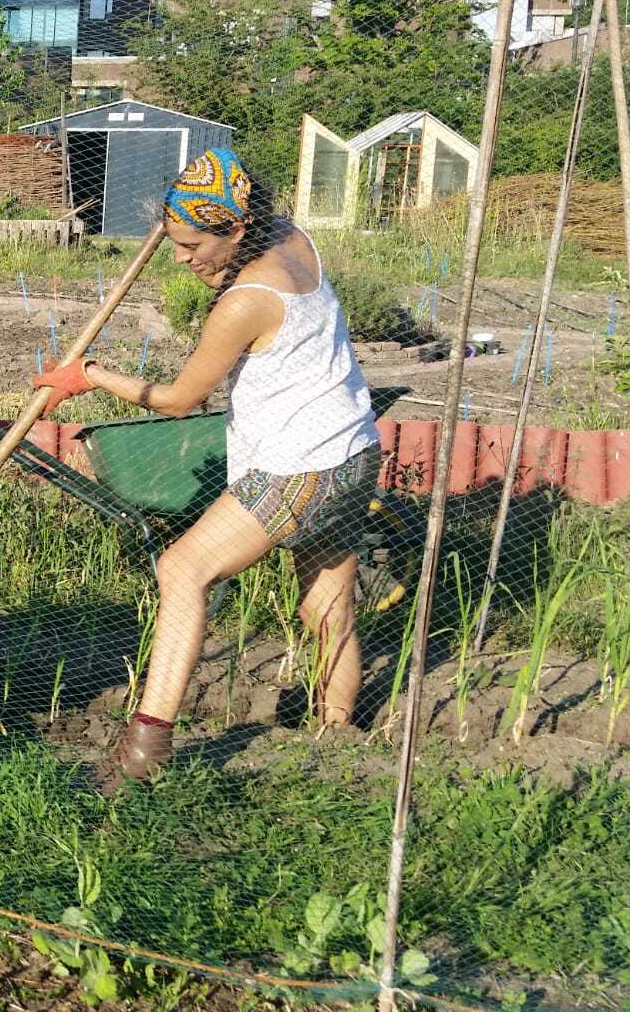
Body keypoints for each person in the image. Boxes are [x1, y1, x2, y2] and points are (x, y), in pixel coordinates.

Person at [30, 147, 381, 788]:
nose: (183, 259)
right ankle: (337, 738)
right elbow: (228, 243)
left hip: (297, 470)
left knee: (182, 568)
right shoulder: (291, 238)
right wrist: (195, 238)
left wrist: (88, 375)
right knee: (327, 605)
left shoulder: (243, 304)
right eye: (173, 243)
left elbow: (180, 399)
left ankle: (143, 755)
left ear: (236, 228)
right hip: (353, 451)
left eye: (193, 246)